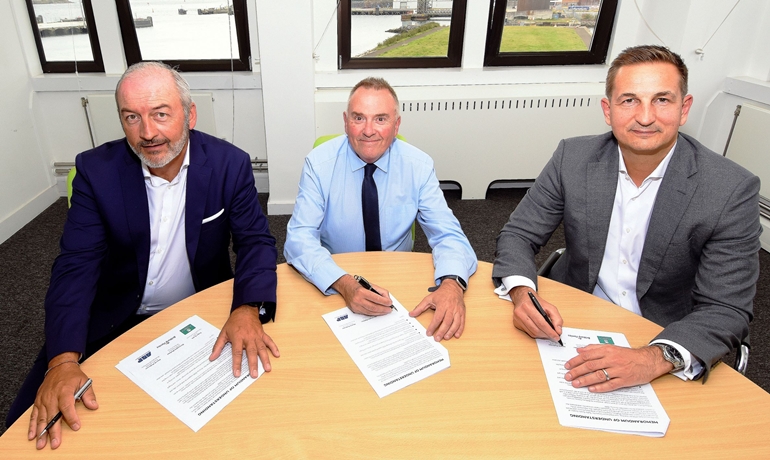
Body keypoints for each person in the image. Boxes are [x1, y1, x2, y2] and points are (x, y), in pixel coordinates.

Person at [7, 62, 280, 449]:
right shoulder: (94, 171)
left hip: (198, 313)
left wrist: (248, 307)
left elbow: (256, 241)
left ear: (190, 114)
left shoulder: (228, 164)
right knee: (26, 428)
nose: (147, 133)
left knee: (230, 427)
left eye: (161, 114)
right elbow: (75, 267)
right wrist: (63, 360)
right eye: (132, 117)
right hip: (112, 317)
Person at [493, 45, 761, 392]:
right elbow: (518, 234)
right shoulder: (571, 157)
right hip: (573, 313)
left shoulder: (730, 189)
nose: (645, 116)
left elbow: (726, 308)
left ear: (684, 108)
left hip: (666, 332)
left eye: (662, 100)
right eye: (629, 100)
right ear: (608, 110)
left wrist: (651, 358)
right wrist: (521, 292)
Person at [284, 77, 477, 341]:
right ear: (345, 121)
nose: (368, 130)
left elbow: (448, 235)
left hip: (399, 278)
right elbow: (299, 239)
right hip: (336, 276)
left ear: (396, 125)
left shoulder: (418, 165)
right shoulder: (318, 164)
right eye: (359, 118)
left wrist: (452, 284)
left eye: (381, 119)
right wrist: (344, 283)